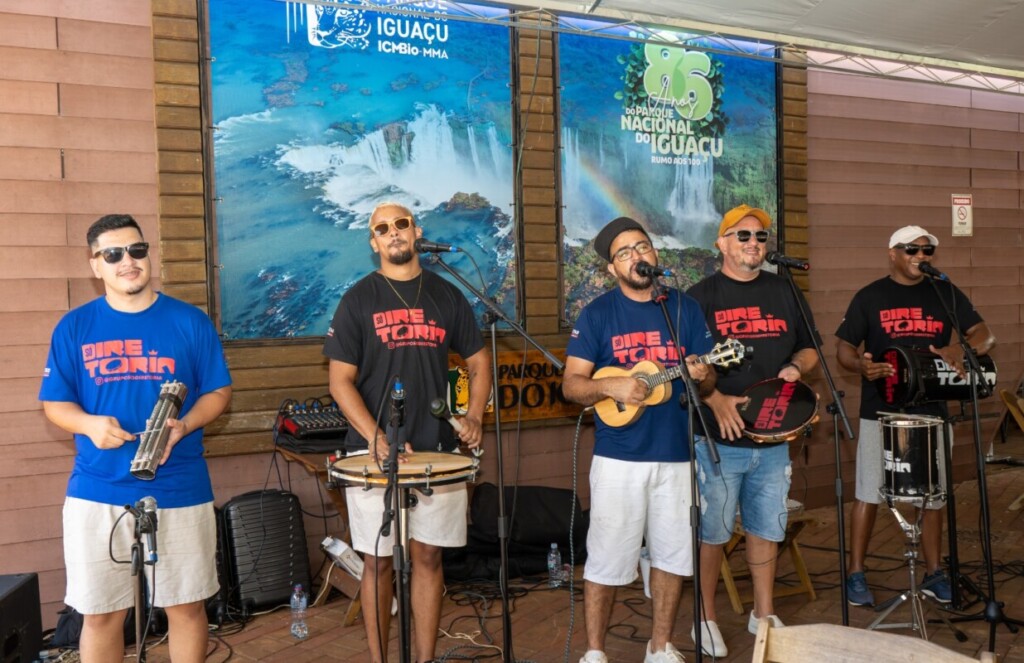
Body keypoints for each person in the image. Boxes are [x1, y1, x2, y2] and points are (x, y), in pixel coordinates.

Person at [39, 214, 232, 663]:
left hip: (179, 485)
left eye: (136, 250)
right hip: (97, 489)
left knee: (186, 607)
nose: (127, 261)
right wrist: (90, 425)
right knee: (101, 614)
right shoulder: (74, 326)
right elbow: (56, 404)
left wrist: (185, 424)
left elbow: (218, 392)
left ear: (148, 254)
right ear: (96, 266)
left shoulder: (190, 321)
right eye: (112, 254)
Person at [323, 202, 491, 663]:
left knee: (429, 557)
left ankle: (423, 659)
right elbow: (339, 382)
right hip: (373, 456)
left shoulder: (446, 294)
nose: (393, 232)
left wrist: (474, 416)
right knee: (378, 562)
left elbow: (479, 361)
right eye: (382, 228)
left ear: (417, 231)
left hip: (437, 451)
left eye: (401, 223)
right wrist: (377, 438)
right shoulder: (358, 299)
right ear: (373, 242)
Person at [562, 216, 715, 663]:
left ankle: (660, 646)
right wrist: (609, 386)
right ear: (613, 268)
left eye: (642, 247)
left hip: (677, 454)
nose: (636, 256)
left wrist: (704, 374)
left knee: (672, 556)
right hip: (619, 458)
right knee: (607, 558)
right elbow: (572, 385)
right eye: (624, 253)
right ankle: (595, 651)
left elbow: (707, 383)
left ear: (655, 254)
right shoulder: (597, 314)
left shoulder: (684, 308)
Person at [685, 204, 819, 657]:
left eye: (761, 236)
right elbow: (686, 365)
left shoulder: (785, 290)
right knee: (713, 532)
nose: (753, 243)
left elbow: (810, 348)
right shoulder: (700, 297)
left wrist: (796, 367)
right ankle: (704, 617)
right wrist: (715, 399)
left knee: (766, 527)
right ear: (721, 243)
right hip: (716, 440)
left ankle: (763, 613)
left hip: (774, 436)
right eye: (742, 235)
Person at [836, 225, 994, 607]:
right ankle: (855, 573)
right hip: (881, 410)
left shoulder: (943, 292)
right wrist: (860, 366)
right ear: (892, 253)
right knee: (868, 492)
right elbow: (843, 348)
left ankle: (933, 573)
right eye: (911, 249)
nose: (920, 256)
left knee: (933, 496)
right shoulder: (870, 296)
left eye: (927, 250)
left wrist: (960, 349)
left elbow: (985, 335)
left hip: (932, 411)